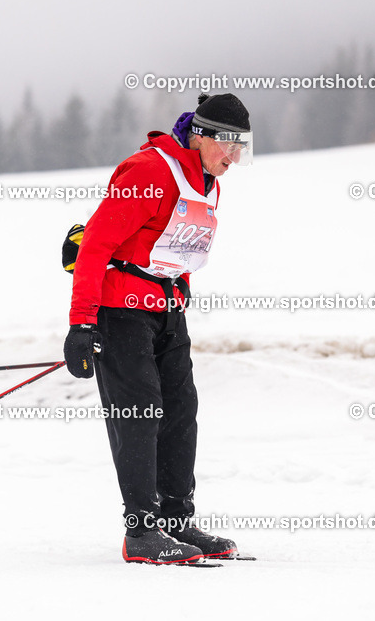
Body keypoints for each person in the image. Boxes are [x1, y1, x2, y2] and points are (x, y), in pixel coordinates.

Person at [64, 93, 252, 565]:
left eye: (242, 147)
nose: (233, 157)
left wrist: (180, 290)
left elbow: (177, 250)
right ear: (200, 136)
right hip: (119, 309)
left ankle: (175, 520)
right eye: (228, 145)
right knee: (140, 412)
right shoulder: (149, 171)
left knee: (181, 411)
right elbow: (94, 247)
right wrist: (82, 324)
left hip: (166, 312)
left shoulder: (208, 183)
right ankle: (143, 531)